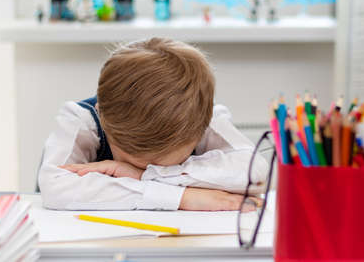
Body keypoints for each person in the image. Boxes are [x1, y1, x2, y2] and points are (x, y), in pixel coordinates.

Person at [38, 37, 268, 211]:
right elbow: (54, 186)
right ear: (103, 117)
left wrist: (140, 176)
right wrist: (182, 198)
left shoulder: (198, 115)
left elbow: (255, 172)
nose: (148, 169)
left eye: (167, 165)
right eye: (136, 164)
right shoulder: (82, 119)